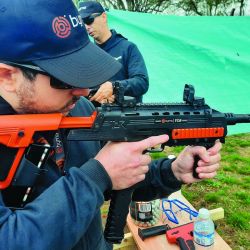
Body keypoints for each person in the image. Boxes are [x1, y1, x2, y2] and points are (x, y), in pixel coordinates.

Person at [0, 0, 222, 249]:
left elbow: (116, 177)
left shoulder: (78, 108)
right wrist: (96, 176)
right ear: (8, 77)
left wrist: (172, 172)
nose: (83, 90)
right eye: (63, 78)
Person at [78, 1, 149, 105]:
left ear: (103, 17)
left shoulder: (128, 48)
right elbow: (79, 89)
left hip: (125, 116)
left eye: (89, 20)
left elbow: (141, 83)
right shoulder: (86, 53)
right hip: (94, 117)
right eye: (82, 23)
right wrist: (95, 95)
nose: (86, 27)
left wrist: (114, 88)